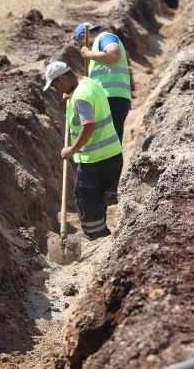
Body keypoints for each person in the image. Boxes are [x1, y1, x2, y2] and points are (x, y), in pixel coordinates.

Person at [44, 61, 123, 241]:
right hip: (112, 153)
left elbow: (88, 125)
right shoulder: (89, 83)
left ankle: (96, 236)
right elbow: (85, 99)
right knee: (99, 197)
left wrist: (72, 149)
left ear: (63, 78)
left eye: (55, 84)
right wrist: (70, 95)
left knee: (85, 197)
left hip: (94, 159)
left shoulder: (80, 96)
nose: (55, 89)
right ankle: (101, 232)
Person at [74, 23, 132, 144]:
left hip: (110, 98)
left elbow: (113, 55)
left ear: (84, 36)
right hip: (114, 98)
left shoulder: (105, 37)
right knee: (113, 144)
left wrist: (88, 54)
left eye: (80, 42)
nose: (83, 47)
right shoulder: (98, 50)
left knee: (105, 143)